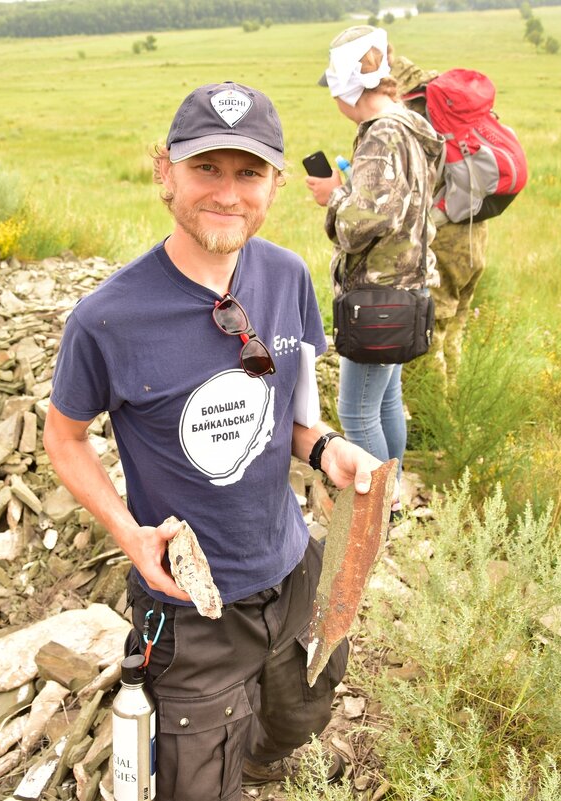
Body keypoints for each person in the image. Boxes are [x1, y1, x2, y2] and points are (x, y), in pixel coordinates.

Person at [42, 80, 383, 800]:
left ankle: (261, 757)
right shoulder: (107, 319)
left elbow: (294, 415)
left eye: (249, 173)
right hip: (189, 606)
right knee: (195, 786)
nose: (228, 193)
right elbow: (65, 440)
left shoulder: (287, 276)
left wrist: (326, 450)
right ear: (165, 171)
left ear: (276, 184)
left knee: (303, 710)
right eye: (207, 169)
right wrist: (131, 535)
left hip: (291, 570)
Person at [305, 26, 444, 503]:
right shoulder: (410, 127)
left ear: (349, 87)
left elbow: (360, 225)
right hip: (408, 288)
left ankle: (378, 508)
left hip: (379, 294)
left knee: (357, 410)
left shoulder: (382, 136)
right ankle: (396, 492)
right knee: (387, 402)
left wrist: (333, 197)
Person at [392, 54, 490, 392]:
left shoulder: (415, 113)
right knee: (454, 329)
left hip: (444, 240)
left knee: (429, 336)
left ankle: (433, 424)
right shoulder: (454, 106)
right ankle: (455, 402)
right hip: (474, 234)